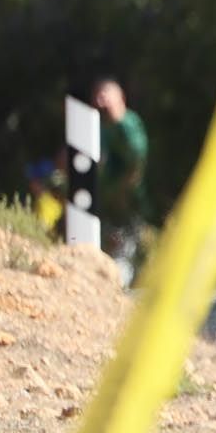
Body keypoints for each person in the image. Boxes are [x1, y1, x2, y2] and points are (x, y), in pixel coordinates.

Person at [91, 77, 150, 283]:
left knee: (124, 253)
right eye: (98, 96)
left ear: (120, 97)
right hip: (107, 202)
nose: (101, 101)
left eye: (106, 95)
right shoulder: (99, 128)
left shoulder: (128, 125)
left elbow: (137, 160)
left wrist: (124, 192)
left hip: (129, 204)